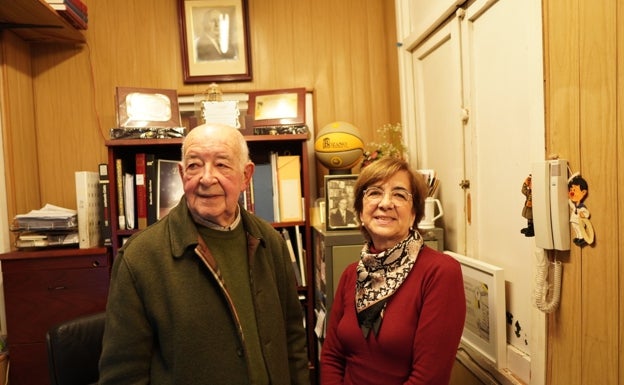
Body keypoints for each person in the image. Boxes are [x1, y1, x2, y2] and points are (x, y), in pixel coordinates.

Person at [99, 123, 310, 385]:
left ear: (246, 176)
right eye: (194, 165)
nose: (206, 178)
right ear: (181, 174)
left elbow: (293, 340)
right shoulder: (140, 257)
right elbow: (123, 374)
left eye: (222, 165)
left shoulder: (269, 242)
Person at [320, 157, 466, 385]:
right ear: (360, 211)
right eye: (375, 193)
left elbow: (429, 378)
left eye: (399, 194)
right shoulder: (352, 274)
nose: (385, 203)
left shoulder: (440, 272)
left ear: (414, 213)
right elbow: (331, 357)